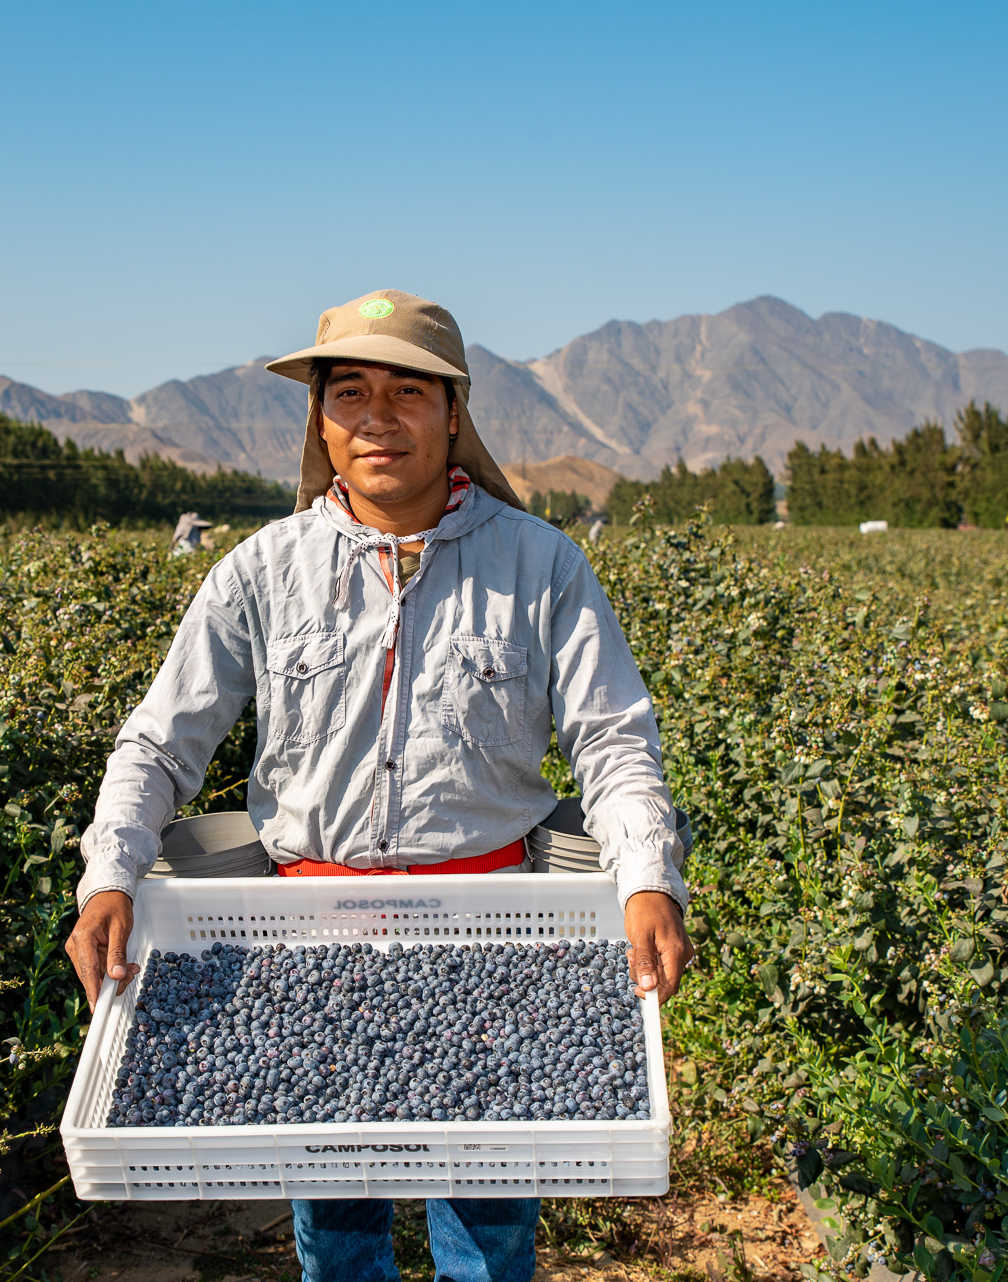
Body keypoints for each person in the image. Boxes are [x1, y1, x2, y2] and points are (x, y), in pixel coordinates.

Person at [66, 289, 692, 1282]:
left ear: (454, 412)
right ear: (320, 420)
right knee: (336, 1223)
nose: (377, 418)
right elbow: (158, 744)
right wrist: (109, 874)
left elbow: (613, 741)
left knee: (488, 1221)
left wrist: (649, 878)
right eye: (349, 392)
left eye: (408, 392)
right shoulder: (260, 573)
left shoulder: (541, 566)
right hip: (308, 943)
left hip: (493, 941)